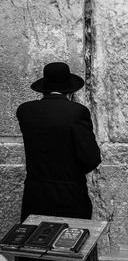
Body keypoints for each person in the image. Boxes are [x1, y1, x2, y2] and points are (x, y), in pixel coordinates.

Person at [16, 62, 101, 223]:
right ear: (70, 91)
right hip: (69, 195)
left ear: (44, 88)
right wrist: (72, 172)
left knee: (35, 244)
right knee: (71, 244)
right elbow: (91, 158)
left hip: (35, 195)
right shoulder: (77, 112)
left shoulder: (24, 111)